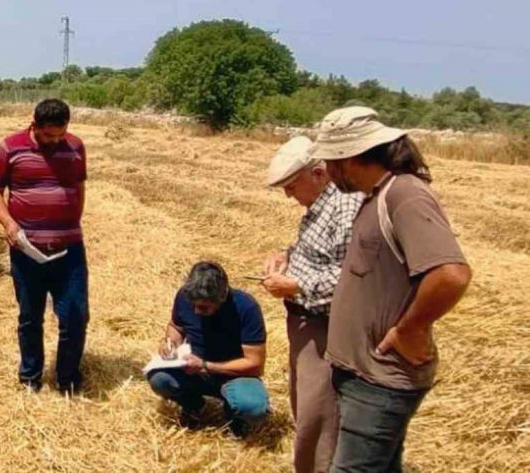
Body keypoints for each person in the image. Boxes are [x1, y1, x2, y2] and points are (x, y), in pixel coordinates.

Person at [309, 107, 472, 473]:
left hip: (380, 380)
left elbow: (451, 274)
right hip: (362, 375)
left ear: (350, 158)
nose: (329, 174)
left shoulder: (405, 196)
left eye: (332, 162)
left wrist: (409, 329)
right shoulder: (378, 195)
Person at [263, 136, 362, 473]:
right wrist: (285, 255)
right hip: (305, 324)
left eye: (291, 186)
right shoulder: (320, 205)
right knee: (306, 409)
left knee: (319, 417)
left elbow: (351, 276)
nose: (289, 196)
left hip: (325, 327)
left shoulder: (346, 207)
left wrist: (297, 284)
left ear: (319, 173)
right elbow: (319, 254)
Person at [0, 99, 89, 395]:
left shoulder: (76, 147)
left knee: (75, 315)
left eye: (60, 134)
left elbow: (79, 188)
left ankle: (67, 378)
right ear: (34, 125)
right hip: (26, 252)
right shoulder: (9, 148)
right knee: (30, 316)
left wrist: (69, 223)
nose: (55, 141)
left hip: (69, 250)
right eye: (48, 136)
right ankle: (30, 377)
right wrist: (8, 223)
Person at [148, 261, 269, 436]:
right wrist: (170, 342)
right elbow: (176, 326)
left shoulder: (246, 308)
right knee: (160, 380)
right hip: (194, 371)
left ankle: (235, 417)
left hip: (234, 375)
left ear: (222, 297)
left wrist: (205, 365)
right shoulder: (184, 296)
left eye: (204, 307)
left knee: (252, 408)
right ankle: (193, 406)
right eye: (193, 305)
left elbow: (255, 364)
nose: (196, 311)